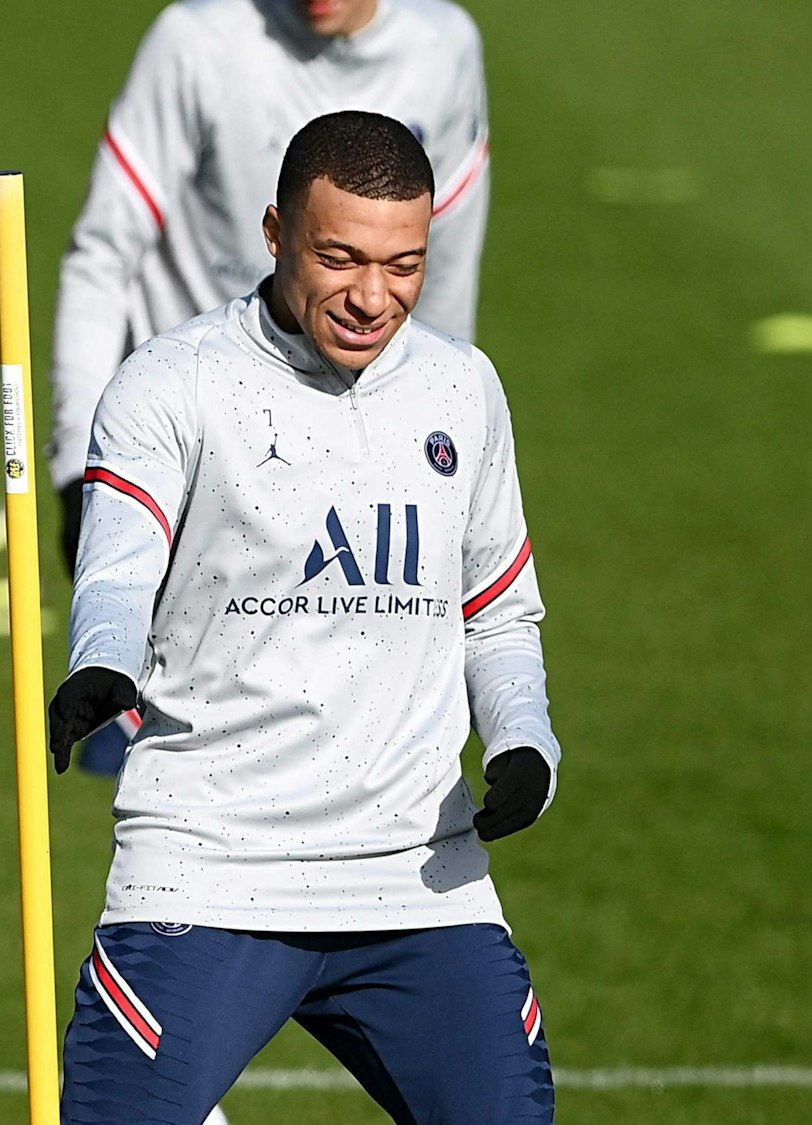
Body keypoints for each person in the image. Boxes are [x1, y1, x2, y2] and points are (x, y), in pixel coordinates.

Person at [47, 111, 557, 1125]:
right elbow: (117, 566)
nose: (373, 297)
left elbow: (498, 610)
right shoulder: (172, 382)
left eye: (403, 265)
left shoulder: (462, 388)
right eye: (340, 258)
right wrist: (102, 662)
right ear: (276, 232)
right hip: (205, 870)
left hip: (416, 879)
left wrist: (524, 739)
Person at [50, 0, 491, 573]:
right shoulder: (197, 41)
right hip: (184, 447)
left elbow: (445, 272)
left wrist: (445, 427)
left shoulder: (443, 49)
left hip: (348, 460)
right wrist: (78, 464)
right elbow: (102, 255)